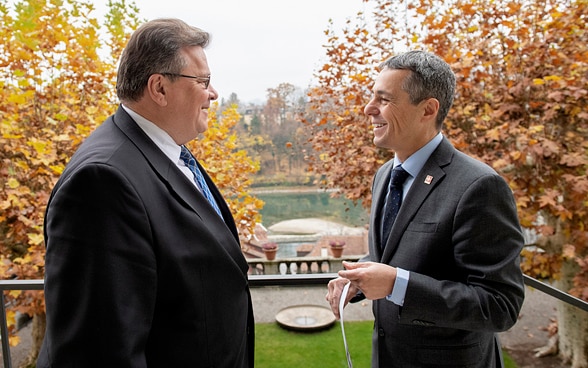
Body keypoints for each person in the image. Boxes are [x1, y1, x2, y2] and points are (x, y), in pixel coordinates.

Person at [38, 18, 254, 367]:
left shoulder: (163, 149)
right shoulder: (102, 182)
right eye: (203, 81)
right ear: (159, 88)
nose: (213, 93)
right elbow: (100, 352)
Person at [326, 50, 525, 368]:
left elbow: (500, 306)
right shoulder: (384, 176)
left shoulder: (479, 187)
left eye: (385, 99)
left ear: (428, 109)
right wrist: (358, 277)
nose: (368, 109)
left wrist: (395, 284)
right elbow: (392, 256)